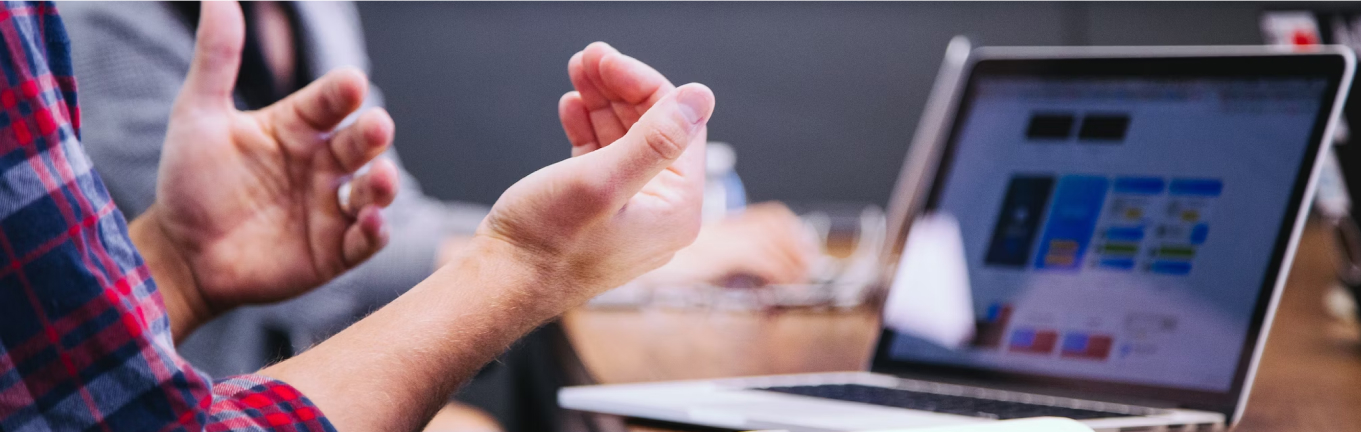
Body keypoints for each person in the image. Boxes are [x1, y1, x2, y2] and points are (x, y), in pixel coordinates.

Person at [61, 3, 813, 430]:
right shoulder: (89, 23)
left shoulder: (313, 10)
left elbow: (368, 221)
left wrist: (185, 262)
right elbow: (328, 278)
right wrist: (537, 259)